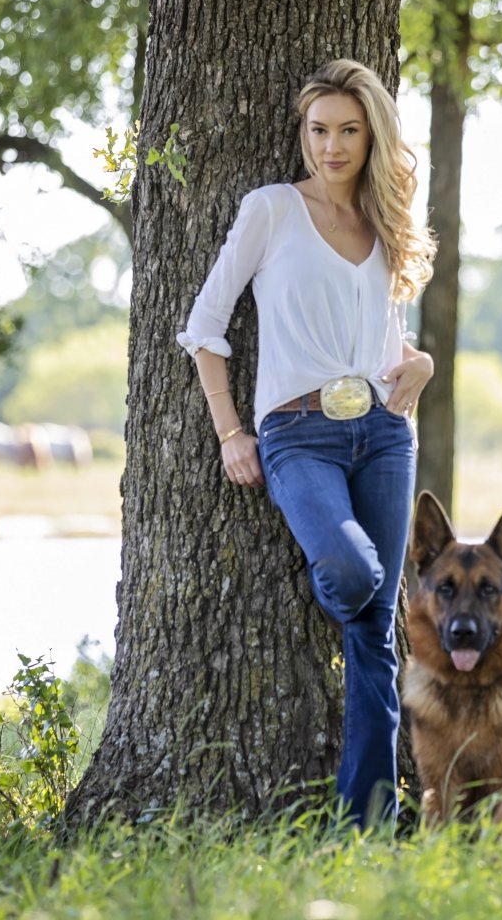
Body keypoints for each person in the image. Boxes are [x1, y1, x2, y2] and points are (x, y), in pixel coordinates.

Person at [177, 59, 437, 830]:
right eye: (319, 130)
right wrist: (231, 429)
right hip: (296, 433)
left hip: (387, 434)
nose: (332, 146)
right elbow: (204, 327)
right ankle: (366, 818)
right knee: (355, 576)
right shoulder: (271, 211)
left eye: (349, 131)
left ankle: (367, 825)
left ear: (372, 135)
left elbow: (388, 336)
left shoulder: (387, 223)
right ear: (303, 133)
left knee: (376, 638)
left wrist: (418, 365)